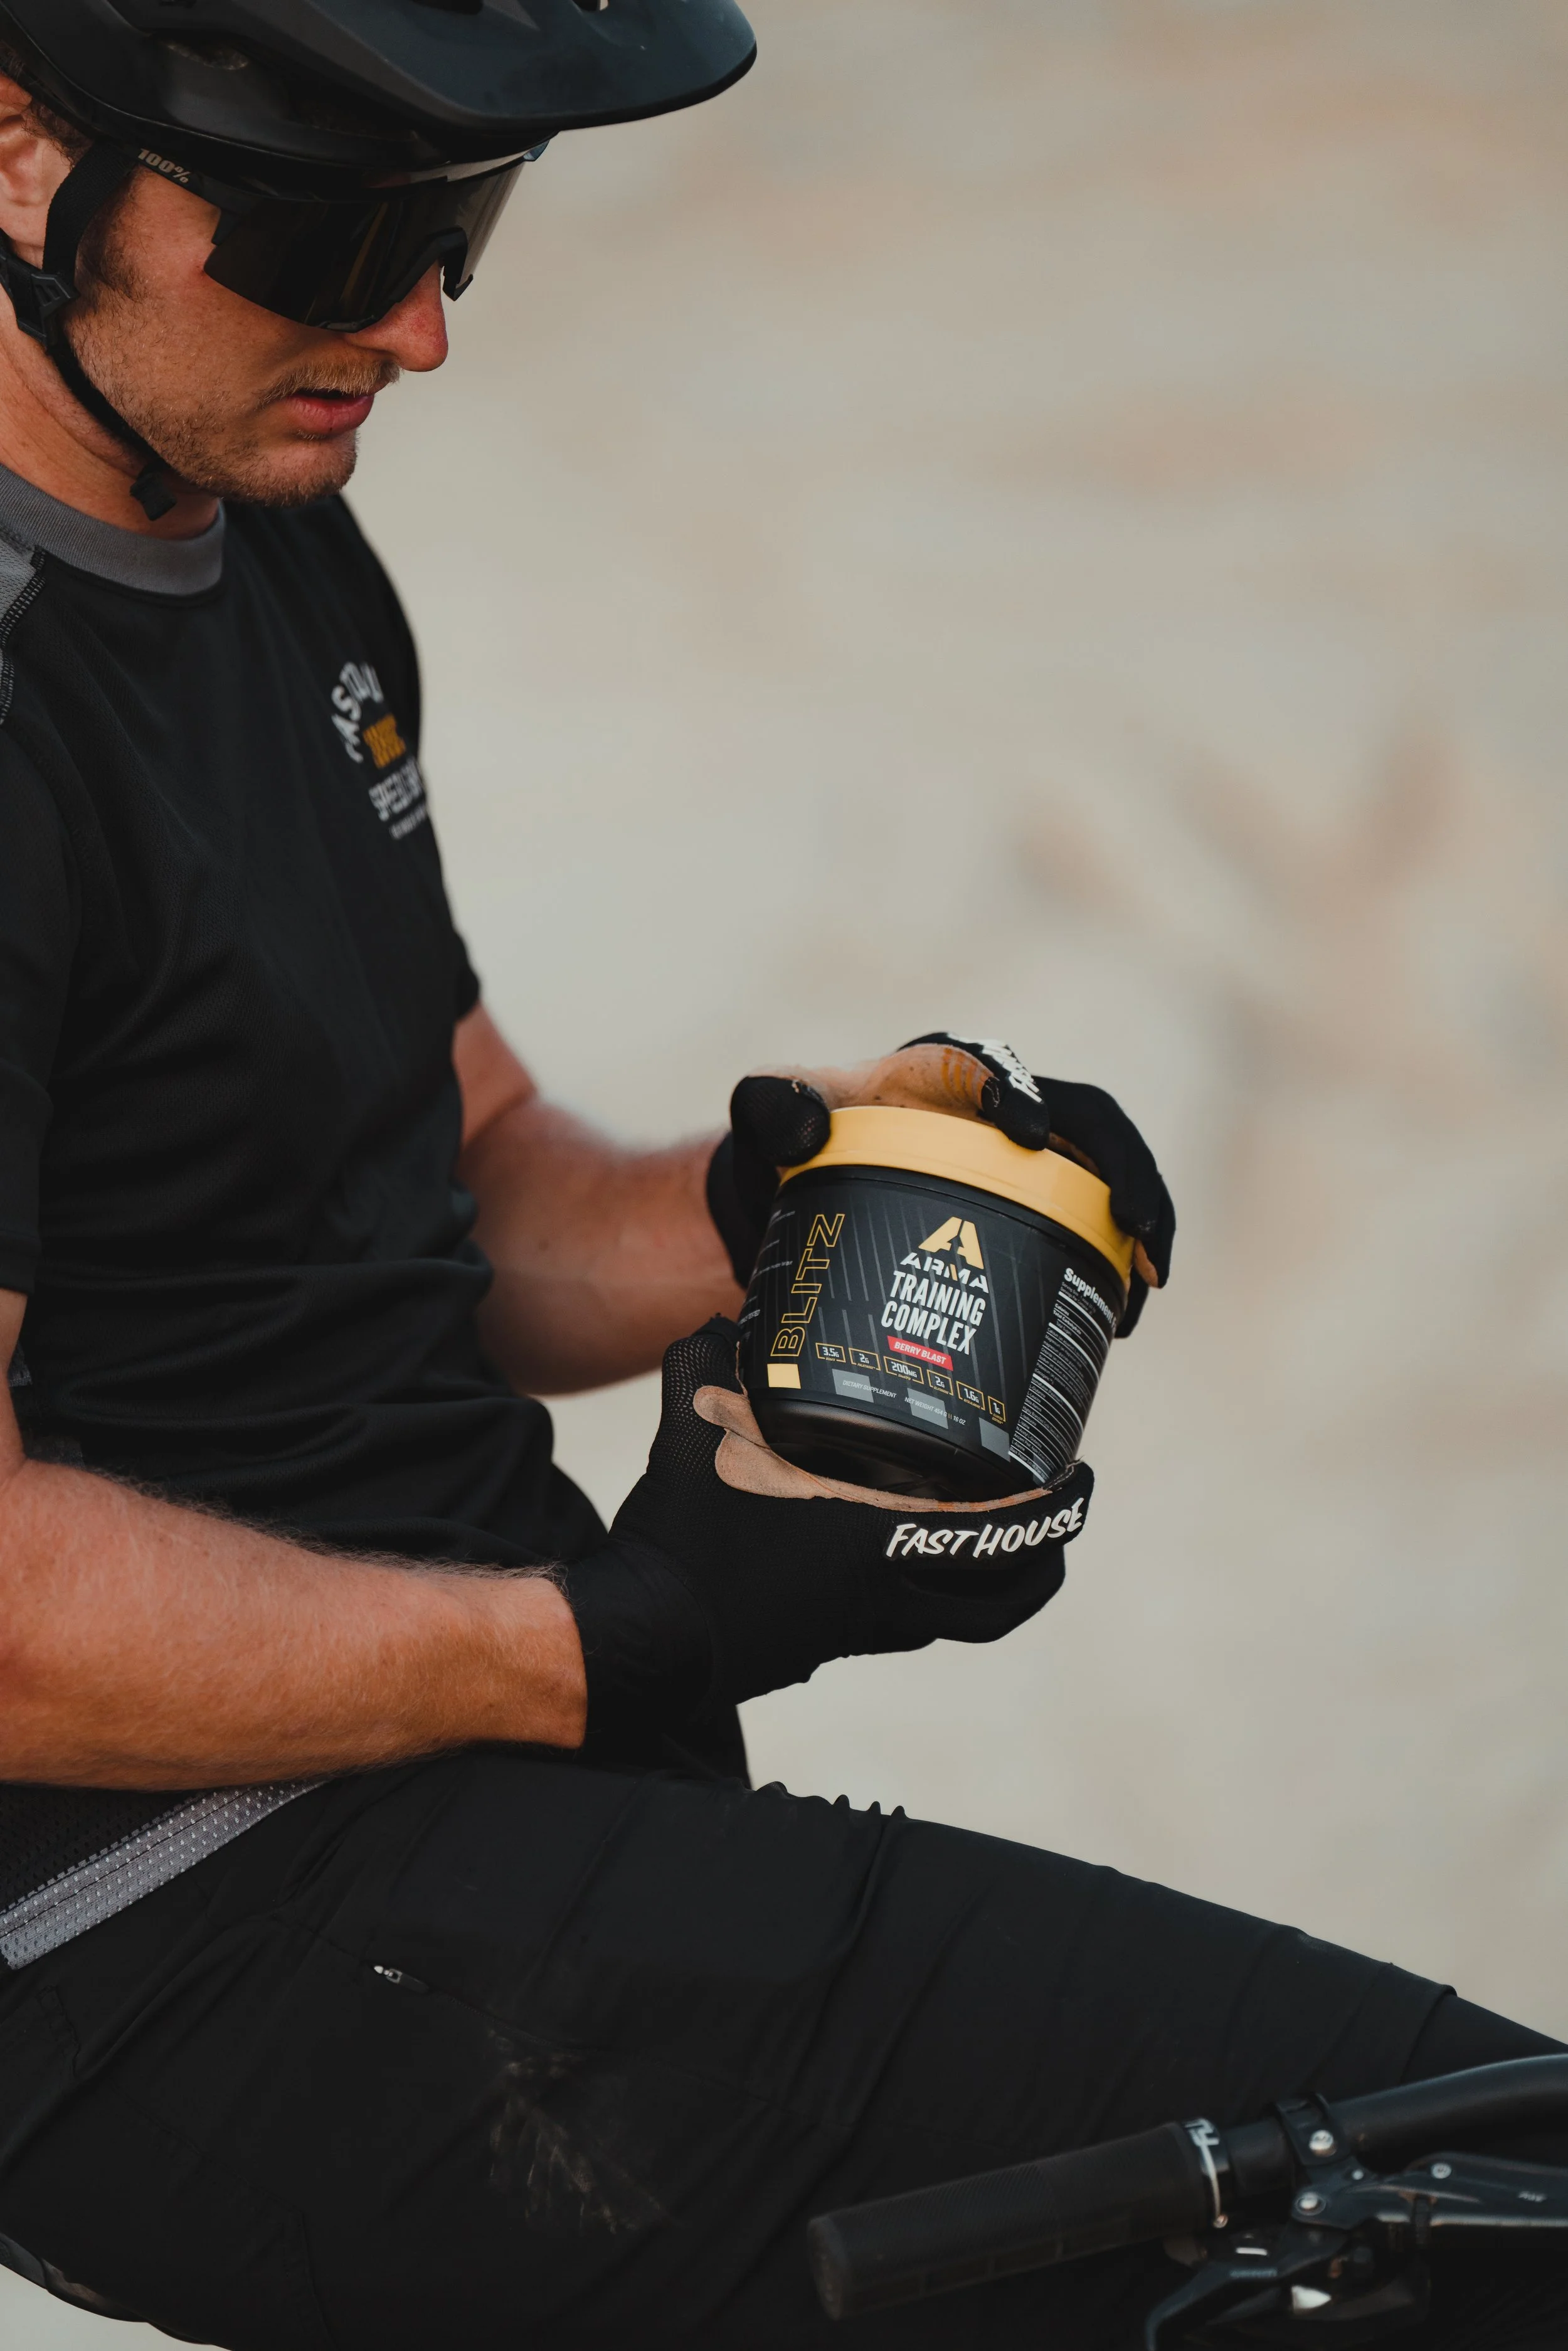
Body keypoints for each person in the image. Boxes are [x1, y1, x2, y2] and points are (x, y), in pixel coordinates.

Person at [0, 7, 1560, 2347]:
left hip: (464, 1820)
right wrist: (605, 1637)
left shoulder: (264, 548)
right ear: (19, 149)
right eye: (331, 228)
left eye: (461, 224)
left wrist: (800, 1196)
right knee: (1482, 2188)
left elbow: (465, 1186)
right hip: (177, 1932)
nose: (416, 325)